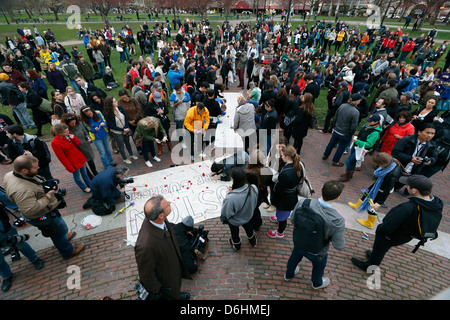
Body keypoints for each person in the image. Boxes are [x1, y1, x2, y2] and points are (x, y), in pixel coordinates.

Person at [351, 174, 443, 272]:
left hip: (392, 235)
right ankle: (374, 255)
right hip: (406, 236)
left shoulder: (408, 207)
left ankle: (370, 267)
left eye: (407, 185)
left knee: (380, 248)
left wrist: (381, 229)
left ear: (414, 190)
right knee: (381, 248)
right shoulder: (435, 203)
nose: (406, 186)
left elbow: (388, 226)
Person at [3, 155, 85, 260]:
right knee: (57, 233)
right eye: (35, 167)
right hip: (43, 215)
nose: (38, 168)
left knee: (61, 229)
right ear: (24, 170)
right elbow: (30, 210)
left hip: (47, 210)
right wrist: (49, 195)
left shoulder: (10, 175)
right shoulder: (22, 190)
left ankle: (63, 238)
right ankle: (67, 251)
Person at [284, 180, 346, 289]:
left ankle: (289, 274)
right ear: (337, 197)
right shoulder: (337, 219)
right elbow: (339, 246)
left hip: (299, 242)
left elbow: (293, 219)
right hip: (318, 250)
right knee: (318, 267)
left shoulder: (304, 202)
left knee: (294, 258)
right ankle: (317, 283)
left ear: (321, 189)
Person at [134, 195, 192, 300]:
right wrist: (158, 290)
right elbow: (146, 274)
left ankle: (176, 295)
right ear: (160, 215)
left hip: (172, 271)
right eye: (167, 205)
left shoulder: (159, 220)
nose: (170, 203)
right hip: (165, 284)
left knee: (175, 290)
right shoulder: (145, 245)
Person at [348, 153, 401, 228]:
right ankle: (358, 205)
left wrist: (379, 202)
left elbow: (387, 189)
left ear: (383, 163)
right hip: (378, 184)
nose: (378, 166)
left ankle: (370, 222)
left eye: (378, 164)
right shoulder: (391, 163)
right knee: (366, 192)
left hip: (382, 190)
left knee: (372, 205)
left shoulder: (391, 175)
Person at [0, 204, 44, 292]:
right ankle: (6, 275)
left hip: (5, 230)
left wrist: (5, 225)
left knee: (20, 245)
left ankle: (34, 259)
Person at [268, 146, 303, 239]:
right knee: (283, 213)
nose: (281, 157)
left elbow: (279, 189)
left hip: (285, 199)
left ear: (287, 157)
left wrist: (274, 200)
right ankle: (279, 218)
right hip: (291, 195)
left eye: (282, 155)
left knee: (283, 217)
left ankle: (280, 232)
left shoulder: (285, 174)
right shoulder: (299, 165)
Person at [220, 167, 258, 251]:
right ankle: (252, 240)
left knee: (234, 233)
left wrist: (228, 195)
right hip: (248, 216)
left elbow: (226, 213)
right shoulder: (253, 188)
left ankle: (237, 245)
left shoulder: (230, 198)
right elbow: (255, 203)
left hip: (235, 220)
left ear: (233, 180)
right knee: (249, 228)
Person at [339, 113, 383, 182]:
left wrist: (357, 141)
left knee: (349, 161)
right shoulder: (368, 126)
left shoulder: (375, 133)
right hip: (356, 146)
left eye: (370, 121)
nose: (367, 122)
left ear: (376, 122)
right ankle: (349, 174)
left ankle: (347, 176)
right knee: (352, 161)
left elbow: (369, 144)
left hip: (362, 149)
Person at [322, 93, 362, 167]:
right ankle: (335, 161)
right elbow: (354, 126)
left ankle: (325, 155)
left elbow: (335, 117)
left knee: (331, 144)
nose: (360, 101)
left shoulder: (342, 106)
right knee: (341, 148)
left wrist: (334, 126)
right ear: (357, 101)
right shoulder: (356, 112)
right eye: (359, 100)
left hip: (337, 130)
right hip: (345, 134)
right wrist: (352, 133)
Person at [61, 113, 98, 179]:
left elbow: (86, 133)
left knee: (90, 160)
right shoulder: (65, 129)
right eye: (72, 123)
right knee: (82, 164)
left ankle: (95, 172)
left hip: (85, 145)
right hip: (76, 148)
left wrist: (88, 137)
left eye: (74, 122)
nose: (74, 124)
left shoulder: (80, 124)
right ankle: (89, 176)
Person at [103, 96, 137, 165]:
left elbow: (126, 118)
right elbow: (112, 125)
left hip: (125, 129)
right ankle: (125, 158)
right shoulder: (108, 114)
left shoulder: (120, 108)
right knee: (121, 145)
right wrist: (123, 129)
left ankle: (131, 155)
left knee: (128, 143)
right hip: (117, 132)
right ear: (110, 104)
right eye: (115, 102)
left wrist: (126, 127)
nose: (117, 102)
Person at [80, 106, 116, 170]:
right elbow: (89, 129)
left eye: (90, 113)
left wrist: (103, 124)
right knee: (102, 152)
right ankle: (107, 166)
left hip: (104, 134)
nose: (90, 115)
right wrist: (94, 129)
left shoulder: (98, 113)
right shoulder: (84, 120)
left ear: (92, 111)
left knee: (107, 149)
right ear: (85, 115)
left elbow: (104, 121)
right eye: (88, 115)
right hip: (96, 138)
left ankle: (111, 161)